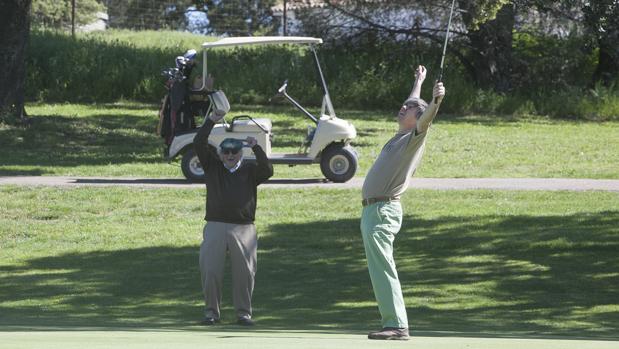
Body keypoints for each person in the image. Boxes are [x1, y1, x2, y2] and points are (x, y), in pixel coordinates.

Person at [360, 65, 446, 340]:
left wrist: (436, 101)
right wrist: (419, 82)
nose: (403, 107)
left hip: (383, 210)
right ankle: (393, 322)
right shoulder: (400, 136)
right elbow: (415, 105)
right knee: (378, 268)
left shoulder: (414, 138)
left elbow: (427, 118)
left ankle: (397, 325)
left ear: (417, 117)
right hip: (373, 210)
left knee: (383, 266)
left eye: (408, 108)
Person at [193, 107, 273, 326]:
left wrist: (256, 148)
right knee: (210, 271)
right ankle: (211, 313)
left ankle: (244, 314)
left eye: (234, 152)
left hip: (243, 228)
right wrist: (211, 120)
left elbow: (268, 170)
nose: (229, 155)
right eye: (225, 152)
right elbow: (199, 142)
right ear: (220, 154)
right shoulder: (212, 167)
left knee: (245, 273)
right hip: (215, 225)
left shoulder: (250, 170)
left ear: (240, 153)